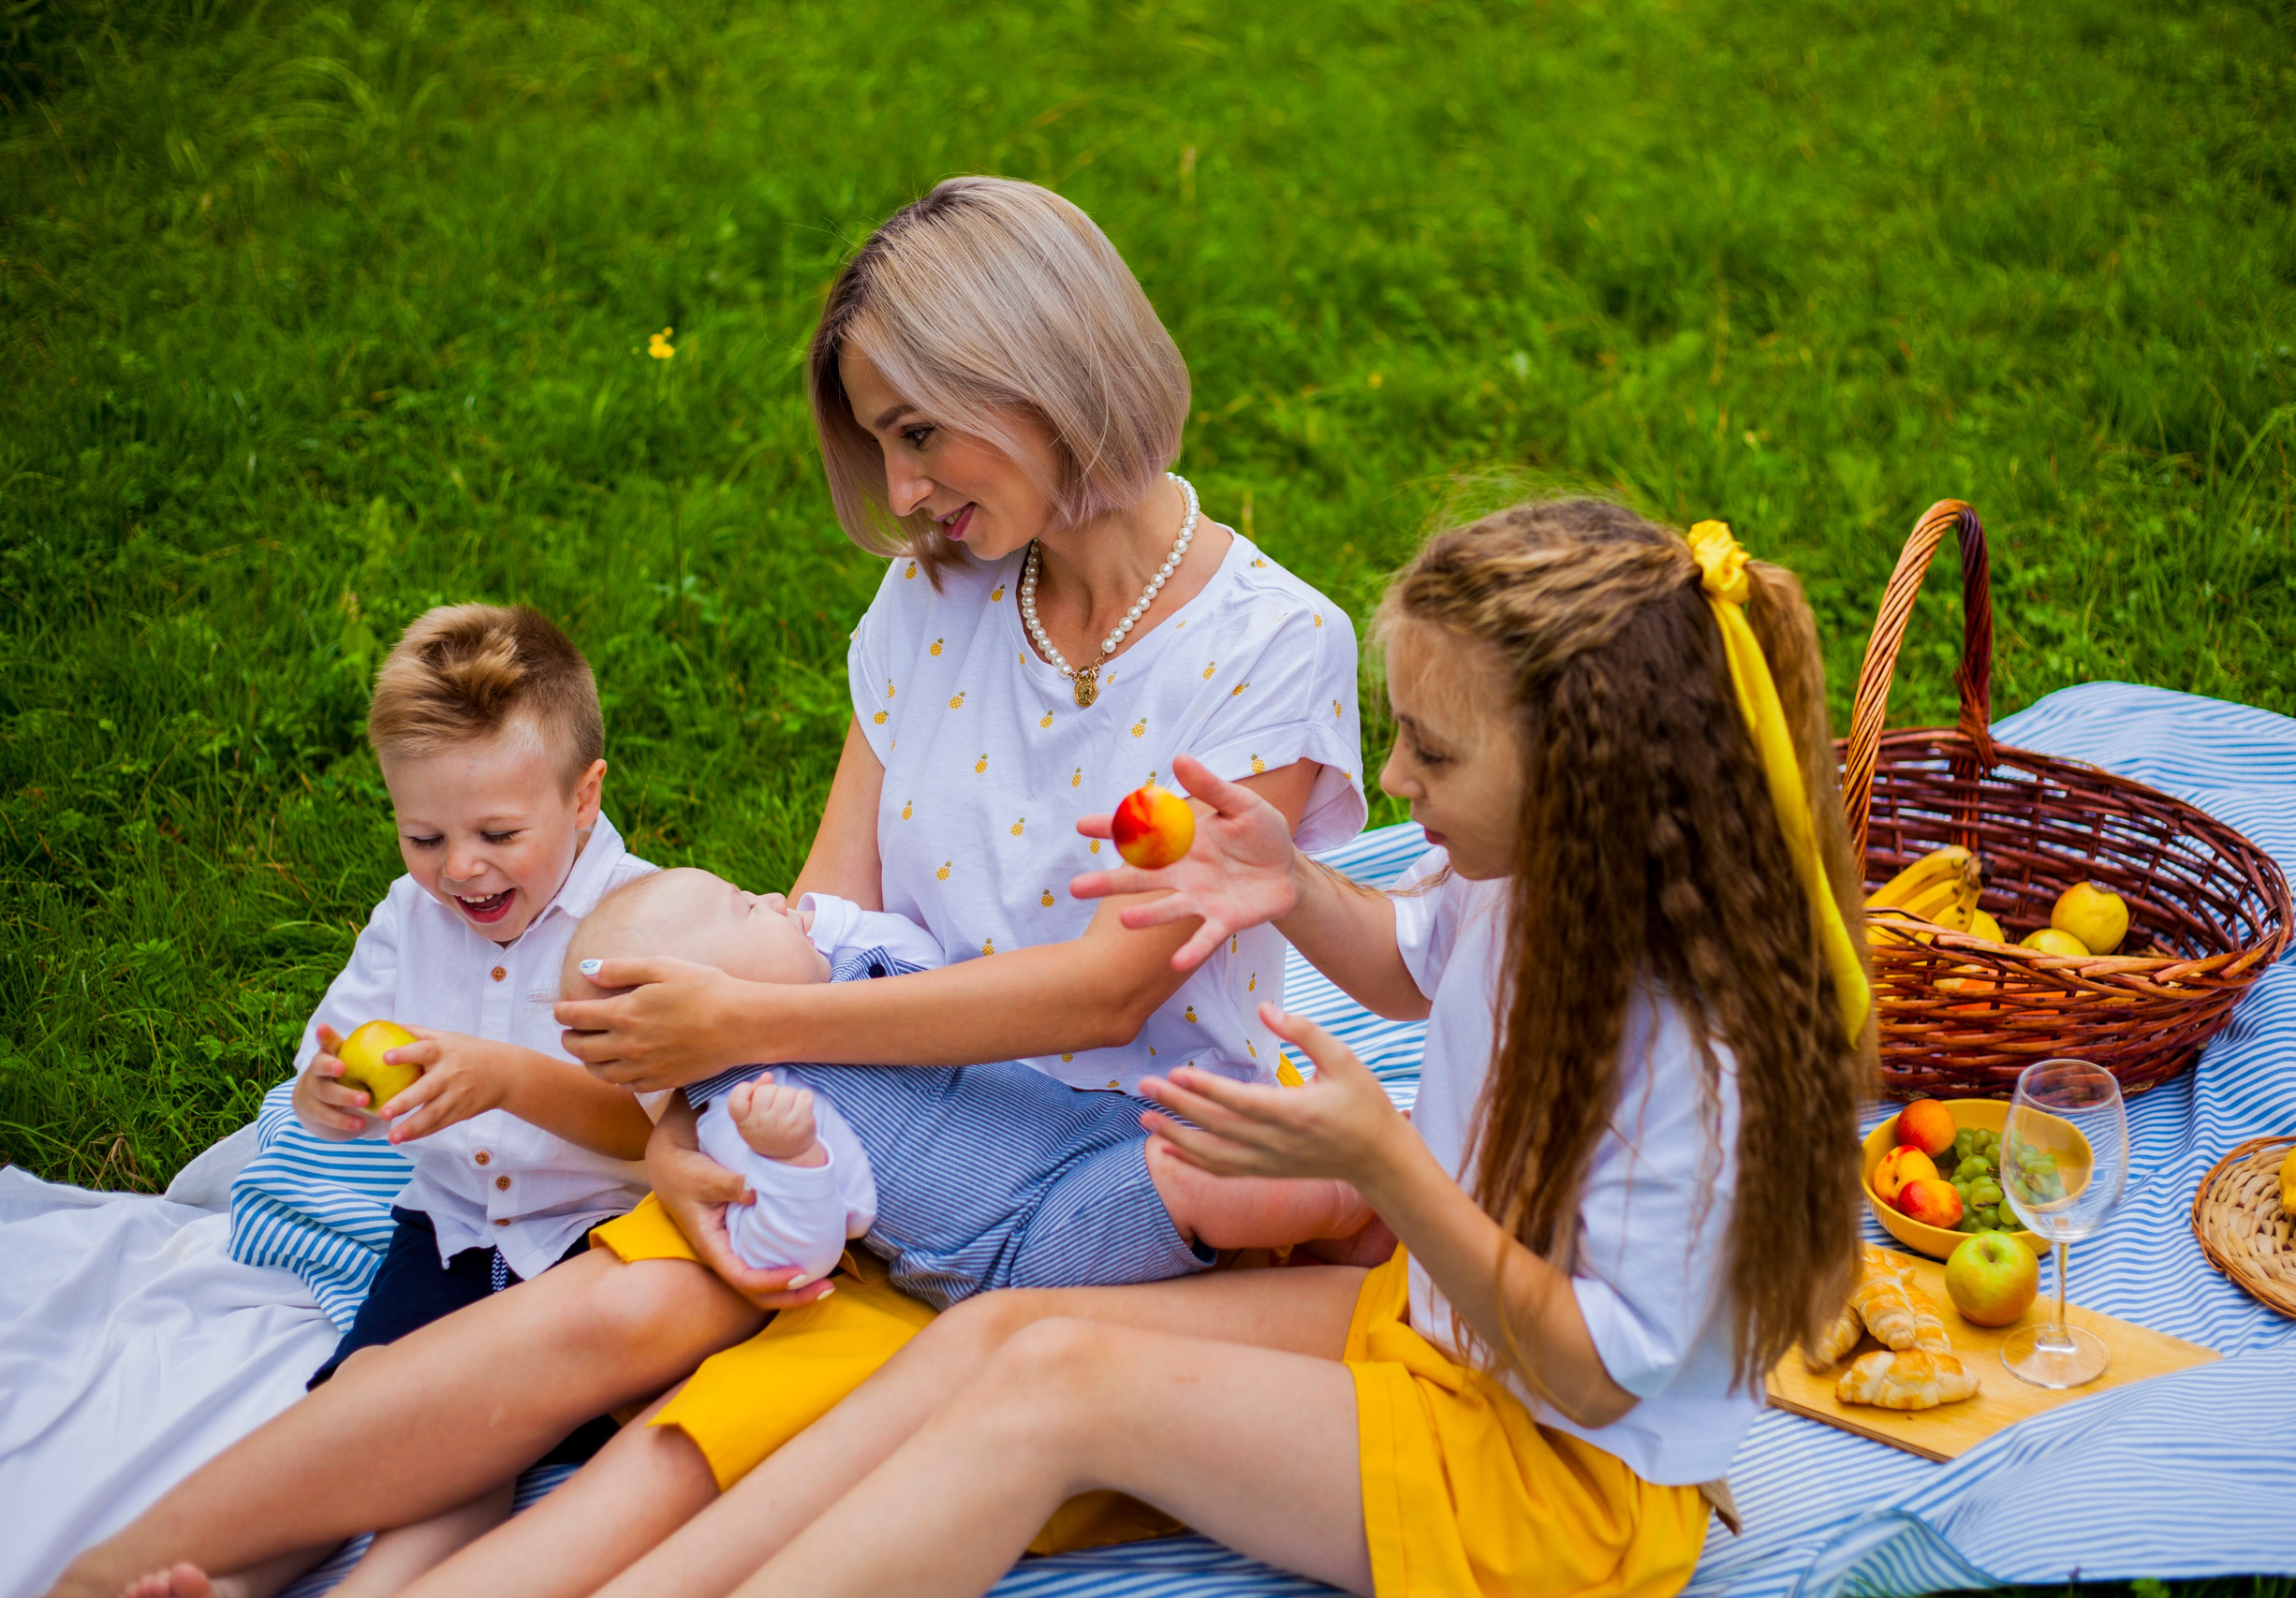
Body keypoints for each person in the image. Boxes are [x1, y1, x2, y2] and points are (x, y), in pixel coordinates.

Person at [52, 175, 1364, 1598]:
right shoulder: (934, 597)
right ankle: (113, 1572)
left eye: (922, 431)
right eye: (881, 442)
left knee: (683, 1453)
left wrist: (734, 1041)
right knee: (607, 1308)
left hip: (1097, 1188)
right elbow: (817, 915)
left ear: (1046, 373)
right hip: (847, 1143)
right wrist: (692, 1123)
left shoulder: (1273, 640)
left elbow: (1117, 986)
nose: (906, 489)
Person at [473, 500, 1876, 1598]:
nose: (1393, 783)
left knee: (1057, 1390)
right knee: (1004, 1328)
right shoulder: (1532, 880)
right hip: (1432, 1343)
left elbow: (1594, 1376)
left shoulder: (1701, 1056)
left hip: (1550, 1481)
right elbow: (1409, 962)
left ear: (1586, 770)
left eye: (1434, 758)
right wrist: (1291, 882)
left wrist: (1386, 1167)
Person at [144, 604, 662, 1598]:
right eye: (423, 833)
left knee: (472, 1432)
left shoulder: (641, 924)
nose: (458, 867)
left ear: (585, 797)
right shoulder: (408, 915)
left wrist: (509, 1078)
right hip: (453, 1232)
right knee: (368, 1408)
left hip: (594, 1254)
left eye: (496, 833)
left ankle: (377, 1588)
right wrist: (326, 1094)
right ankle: (233, 1577)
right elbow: (326, 1063)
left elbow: (648, 1137)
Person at [567, 868, 1366, 1290]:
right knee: (1193, 1172)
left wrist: (825, 936)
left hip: (1090, 1127)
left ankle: (1348, 1233)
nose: (778, 898)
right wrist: (793, 1161)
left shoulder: (851, 965)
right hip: (1021, 1236)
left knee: (1228, 1124)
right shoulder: (750, 1114)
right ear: (703, 987)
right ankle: (1366, 1193)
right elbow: (800, 1249)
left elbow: (919, 955)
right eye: (747, 909)